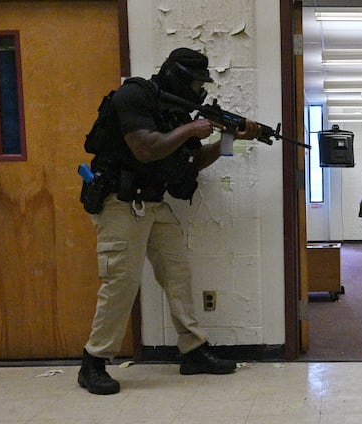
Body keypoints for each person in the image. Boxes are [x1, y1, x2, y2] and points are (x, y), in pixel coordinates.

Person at [78, 47, 262, 395]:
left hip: (153, 202)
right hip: (120, 201)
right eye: (195, 82)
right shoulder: (135, 95)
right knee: (121, 281)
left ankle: (192, 351)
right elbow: (146, 148)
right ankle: (93, 361)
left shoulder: (177, 114)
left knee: (177, 274)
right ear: (177, 75)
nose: (199, 90)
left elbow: (190, 164)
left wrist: (228, 139)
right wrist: (193, 128)